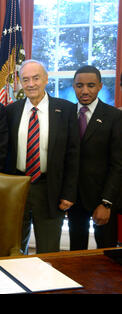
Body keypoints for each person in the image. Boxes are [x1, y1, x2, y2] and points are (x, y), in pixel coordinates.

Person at [5, 59, 79, 254]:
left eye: (36, 78)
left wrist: (69, 193)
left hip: (50, 189)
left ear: (46, 79)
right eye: (25, 79)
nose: (30, 84)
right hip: (18, 186)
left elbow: (73, 154)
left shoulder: (66, 110)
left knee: (48, 250)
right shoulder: (11, 111)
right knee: (14, 248)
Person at [68, 65, 122, 250]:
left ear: (99, 86)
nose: (84, 91)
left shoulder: (114, 116)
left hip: (102, 198)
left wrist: (106, 202)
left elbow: (118, 164)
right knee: (76, 253)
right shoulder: (65, 114)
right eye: (79, 85)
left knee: (107, 255)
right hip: (73, 200)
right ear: (73, 86)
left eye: (90, 85)